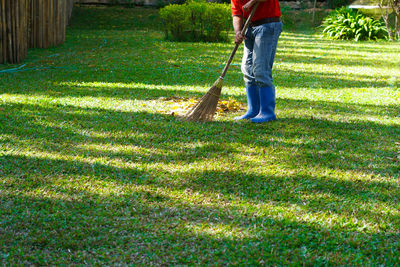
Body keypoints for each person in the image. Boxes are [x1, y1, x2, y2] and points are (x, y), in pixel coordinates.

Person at [231, 0, 282, 123]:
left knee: (260, 70)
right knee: (247, 69)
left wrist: (251, 3)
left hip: (268, 25)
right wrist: (238, 32)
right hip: (250, 27)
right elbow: (237, 14)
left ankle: (267, 112)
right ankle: (254, 110)